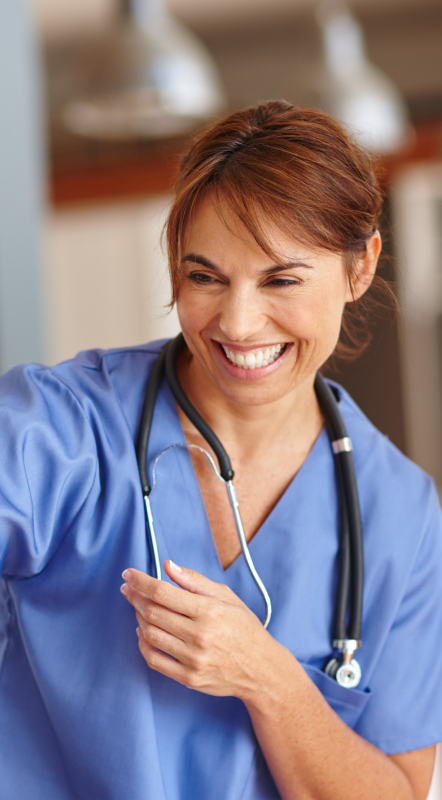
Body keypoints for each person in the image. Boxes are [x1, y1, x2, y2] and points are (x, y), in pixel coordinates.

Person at [1, 101, 442, 800]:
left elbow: (397, 791)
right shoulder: (59, 430)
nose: (237, 324)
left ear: (361, 267)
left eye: (280, 280)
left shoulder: (400, 517)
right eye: (204, 276)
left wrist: (268, 679)